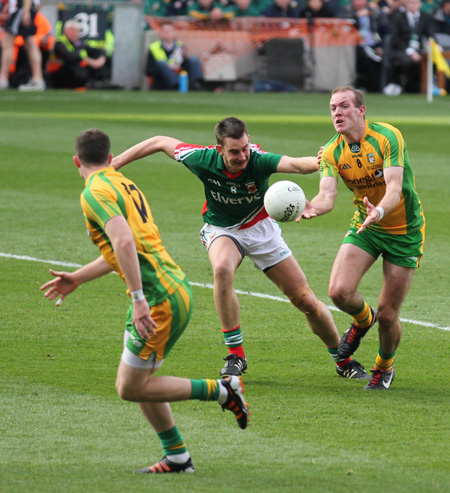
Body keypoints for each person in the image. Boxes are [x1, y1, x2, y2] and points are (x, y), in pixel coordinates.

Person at [40, 128, 249, 474]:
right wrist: (78, 277)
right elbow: (124, 249)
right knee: (140, 384)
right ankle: (178, 456)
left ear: (76, 161)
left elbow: (123, 244)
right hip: (165, 288)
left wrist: (139, 299)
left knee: (129, 386)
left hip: (157, 298)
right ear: (110, 158)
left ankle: (224, 390)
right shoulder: (124, 183)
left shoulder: (93, 192)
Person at [111, 117, 370, 381]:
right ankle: (236, 355)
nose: (242, 155)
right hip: (223, 229)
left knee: (305, 301)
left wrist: (326, 159)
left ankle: (343, 359)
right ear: (220, 149)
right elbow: (159, 142)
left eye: (245, 147)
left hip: (262, 231)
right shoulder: (202, 159)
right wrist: (116, 163)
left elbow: (296, 165)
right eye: (234, 151)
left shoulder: (257, 160)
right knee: (222, 269)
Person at [302, 86, 425, 390]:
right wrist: (311, 207)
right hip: (365, 226)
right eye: (332, 108)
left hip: (403, 230)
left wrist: (379, 211)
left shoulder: (387, 137)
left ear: (361, 110)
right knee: (339, 292)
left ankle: (384, 366)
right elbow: (327, 195)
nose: (337, 113)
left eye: (344, 106)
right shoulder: (331, 151)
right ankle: (361, 319)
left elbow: (394, 189)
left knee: (388, 315)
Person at [384, 0, 436, 94]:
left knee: (431, 60)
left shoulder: (425, 17)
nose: (412, 5)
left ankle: (427, 86)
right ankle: (409, 88)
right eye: (410, 3)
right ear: (406, 4)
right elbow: (395, 39)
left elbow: (431, 34)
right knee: (409, 61)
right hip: (401, 49)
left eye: (415, 3)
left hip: (419, 49)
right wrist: (411, 51)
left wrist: (434, 44)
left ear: (420, 4)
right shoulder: (398, 17)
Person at [0, 0, 46, 91]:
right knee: (30, 42)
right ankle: (38, 79)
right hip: (23, 7)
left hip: (22, 7)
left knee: (8, 40)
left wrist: (26, 10)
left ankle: (3, 79)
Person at [146, 22, 204, 91]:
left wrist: (184, 59)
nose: (167, 33)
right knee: (161, 63)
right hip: (162, 79)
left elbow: (185, 65)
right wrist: (167, 67)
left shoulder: (180, 46)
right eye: (164, 31)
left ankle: (197, 84)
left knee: (194, 59)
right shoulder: (153, 47)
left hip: (179, 73)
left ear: (174, 33)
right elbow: (148, 70)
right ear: (160, 33)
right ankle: (176, 85)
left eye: (169, 31)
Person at [50, 20, 107, 89]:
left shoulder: (80, 43)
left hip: (76, 71)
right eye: (71, 30)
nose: (74, 33)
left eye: (76, 31)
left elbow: (99, 50)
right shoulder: (60, 42)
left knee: (98, 59)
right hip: (60, 73)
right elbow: (69, 57)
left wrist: (101, 60)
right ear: (65, 31)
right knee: (75, 67)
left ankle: (101, 82)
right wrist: (89, 61)